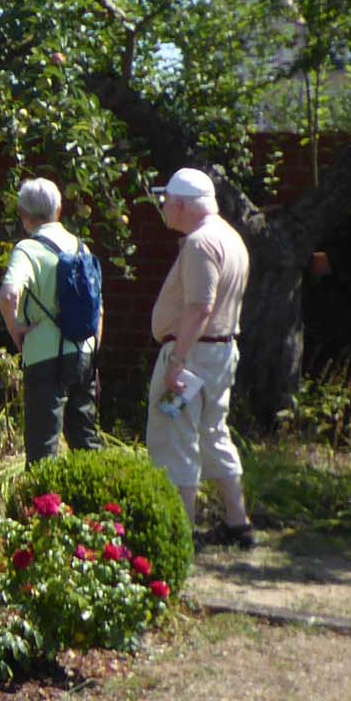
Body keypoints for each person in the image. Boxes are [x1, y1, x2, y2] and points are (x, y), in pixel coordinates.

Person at [146, 167, 254, 546]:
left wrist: (177, 361)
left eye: (167, 201)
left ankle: (180, 531)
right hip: (221, 353)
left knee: (176, 438)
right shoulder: (231, 238)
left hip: (192, 356)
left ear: (180, 203)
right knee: (213, 434)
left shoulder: (200, 243)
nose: (164, 208)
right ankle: (238, 522)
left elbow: (199, 307)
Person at [0, 176, 104, 464]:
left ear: (24, 215)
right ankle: (98, 502)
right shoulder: (82, 247)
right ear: (59, 209)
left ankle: (42, 506)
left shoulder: (28, 249)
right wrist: (93, 354)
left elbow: (9, 294)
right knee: (86, 440)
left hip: (45, 356)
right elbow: (98, 308)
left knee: (43, 447)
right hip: (83, 353)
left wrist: (15, 329)